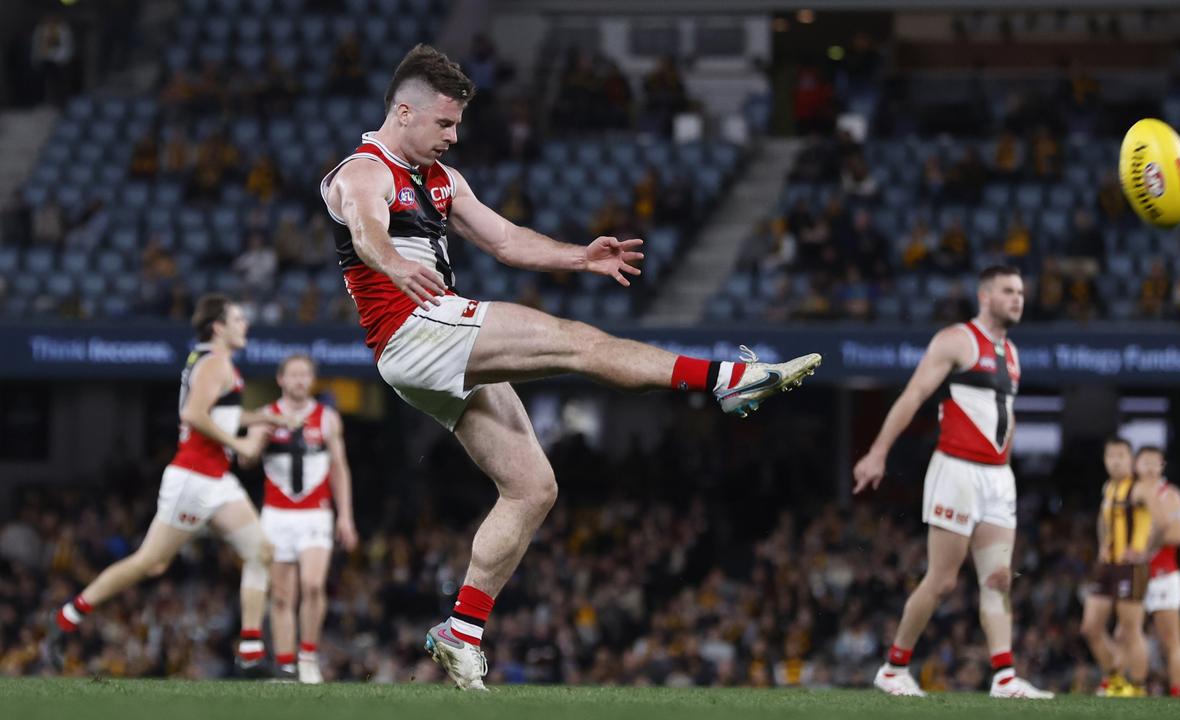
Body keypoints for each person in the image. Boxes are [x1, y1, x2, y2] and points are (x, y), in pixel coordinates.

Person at [320, 45, 821, 690]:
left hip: (429, 343)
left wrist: (579, 258)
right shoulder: (363, 171)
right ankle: (724, 381)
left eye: (457, 125)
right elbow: (365, 230)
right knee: (574, 342)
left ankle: (462, 631)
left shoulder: (445, 180)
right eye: (444, 124)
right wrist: (390, 262)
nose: (453, 136)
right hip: (414, 328)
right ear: (403, 110)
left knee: (533, 487)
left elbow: (502, 240)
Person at [48, 294, 288, 675]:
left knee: (260, 551)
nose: (246, 325)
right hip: (193, 478)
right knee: (151, 562)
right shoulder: (215, 362)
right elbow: (194, 414)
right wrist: (241, 442)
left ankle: (252, 650)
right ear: (218, 327)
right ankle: (67, 616)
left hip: (216, 479)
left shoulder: (209, 359)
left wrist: (259, 418)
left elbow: (218, 411)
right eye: (238, 319)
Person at [851, 265, 1052, 699]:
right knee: (942, 581)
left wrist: (1006, 469)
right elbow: (914, 394)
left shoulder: (1012, 352)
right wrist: (878, 452)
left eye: (1020, 291)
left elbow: (1005, 416)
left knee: (999, 578)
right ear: (985, 296)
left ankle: (1004, 677)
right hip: (957, 471)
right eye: (1008, 291)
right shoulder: (956, 340)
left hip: (998, 477)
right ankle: (893, 668)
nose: (1018, 298)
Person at [253, 354, 357, 683]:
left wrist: (346, 517)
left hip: (316, 512)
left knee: (313, 585)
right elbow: (247, 459)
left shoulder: (327, 418)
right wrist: (260, 433)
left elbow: (340, 468)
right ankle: (285, 666)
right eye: (293, 374)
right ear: (281, 379)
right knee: (282, 595)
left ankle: (308, 655)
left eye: (305, 374)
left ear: (311, 380)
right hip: (276, 513)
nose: (299, 380)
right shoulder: (267, 415)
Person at [1080, 437, 1153, 697]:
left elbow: (1160, 519)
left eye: (1121, 455)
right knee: (1090, 627)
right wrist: (1102, 544)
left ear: (1131, 459)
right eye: (1111, 456)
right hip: (1108, 564)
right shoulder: (1109, 487)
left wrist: (1145, 548)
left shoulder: (1140, 488)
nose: (1116, 461)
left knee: (1130, 630)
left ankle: (1139, 687)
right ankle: (1116, 679)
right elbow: (1104, 520)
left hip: (1130, 566)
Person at [1131, 447, 1180, 698]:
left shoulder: (1171, 495)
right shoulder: (1130, 493)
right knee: (1128, 633)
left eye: (1155, 463)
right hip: (1135, 574)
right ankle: (1135, 689)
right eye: (1145, 462)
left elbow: (1179, 535)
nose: (1150, 468)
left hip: (1163, 574)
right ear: (1136, 465)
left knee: (1170, 641)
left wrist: (1148, 541)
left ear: (1162, 466)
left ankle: (1178, 696)